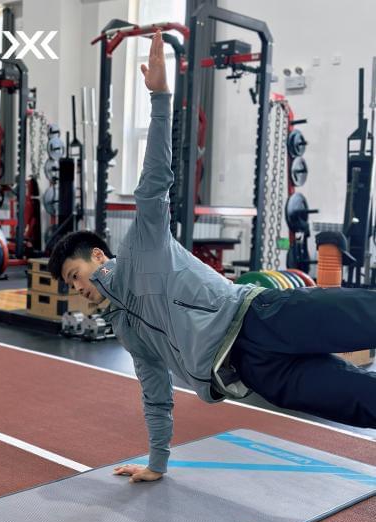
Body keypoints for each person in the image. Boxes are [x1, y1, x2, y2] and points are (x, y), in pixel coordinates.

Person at [48, 30, 376, 483]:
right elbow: (155, 391)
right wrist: (157, 462)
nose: (77, 288)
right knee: (360, 401)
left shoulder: (142, 247)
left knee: (366, 315)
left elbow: (155, 180)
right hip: (252, 374)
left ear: (98, 256)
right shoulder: (126, 329)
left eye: (74, 274)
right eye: (70, 286)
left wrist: (160, 99)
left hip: (260, 316)